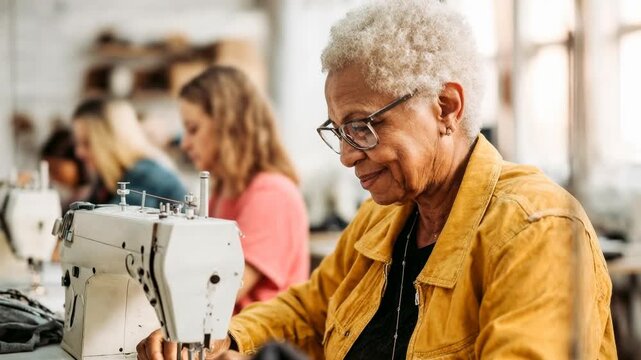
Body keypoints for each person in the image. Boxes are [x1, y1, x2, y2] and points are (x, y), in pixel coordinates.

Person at [138, 1, 615, 359]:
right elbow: (308, 309)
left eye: (364, 127)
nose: (347, 156)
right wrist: (222, 334)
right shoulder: (383, 221)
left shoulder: (538, 231)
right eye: (340, 131)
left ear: (446, 108)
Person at [178, 66, 309, 311]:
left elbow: (222, 289)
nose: (185, 144)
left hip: (257, 345)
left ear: (228, 127)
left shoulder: (272, 194)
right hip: (226, 339)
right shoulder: (221, 190)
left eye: (193, 129)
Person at [72, 97, 187, 209]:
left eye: (87, 143)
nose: (79, 152)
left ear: (112, 140)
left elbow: (112, 224)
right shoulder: (109, 180)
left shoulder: (144, 176)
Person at [40, 127, 92, 211]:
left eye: (56, 169)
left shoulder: (91, 198)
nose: (51, 176)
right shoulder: (70, 197)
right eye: (49, 170)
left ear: (77, 161)